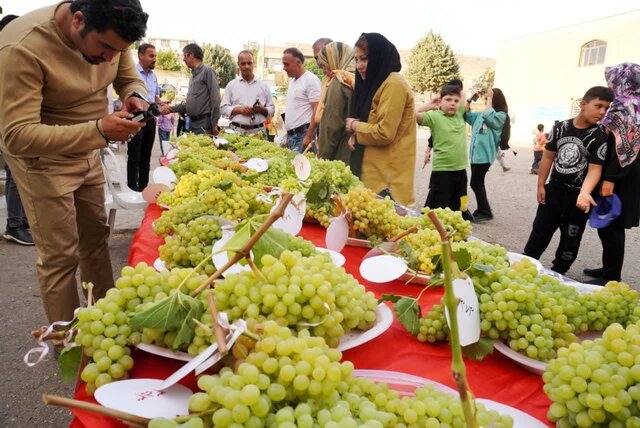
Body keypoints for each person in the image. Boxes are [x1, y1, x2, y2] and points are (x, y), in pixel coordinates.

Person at [0, 0, 148, 324]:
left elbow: (128, 78)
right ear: (78, 20)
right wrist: (97, 129)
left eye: (118, 50)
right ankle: (65, 338)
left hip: (90, 147)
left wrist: (135, 94)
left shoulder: (112, 37)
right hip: (42, 160)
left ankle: (107, 322)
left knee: (95, 240)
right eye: (105, 47)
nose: (108, 58)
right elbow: (16, 135)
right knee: (60, 255)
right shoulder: (21, 46)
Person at [523, 86, 614, 275]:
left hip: (578, 199)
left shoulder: (599, 136)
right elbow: (547, 157)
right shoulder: (560, 127)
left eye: (606, 108)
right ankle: (527, 263)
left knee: (571, 236)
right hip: (553, 191)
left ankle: (559, 271)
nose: (602, 112)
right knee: (540, 229)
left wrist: (585, 192)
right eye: (598, 106)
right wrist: (541, 184)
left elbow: (594, 170)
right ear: (583, 104)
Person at [582, 63, 640, 285]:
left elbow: (629, 147)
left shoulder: (626, 106)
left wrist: (610, 179)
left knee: (611, 226)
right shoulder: (633, 105)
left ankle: (611, 276)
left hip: (619, 177)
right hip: (624, 175)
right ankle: (608, 267)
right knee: (607, 224)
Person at [345, 32, 416, 206]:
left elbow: (385, 132)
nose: (359, 65)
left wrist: (354, 125)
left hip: (387, 183)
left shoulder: (393, 85)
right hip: (373, 177)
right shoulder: (378, 83)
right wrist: (357, 135)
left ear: (379, 57)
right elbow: (372, 123)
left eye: (365, 59)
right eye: (357, 60)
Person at [0, 14, 33, 246]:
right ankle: (14, 225)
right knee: (14, 175)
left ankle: (21, 221)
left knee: (19, 174)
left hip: (14, 124)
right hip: (6, 127)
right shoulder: (6, 56)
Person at [416, 84, 469, 214]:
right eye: (448, 99)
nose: (453, 103)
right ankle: (427, 230)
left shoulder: (460, 114)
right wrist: (429, 105)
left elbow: (464, 94)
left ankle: (455, 227)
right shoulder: (434, 117)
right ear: (439, 102)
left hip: (461, 170)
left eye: (456, 101)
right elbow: (411, 115)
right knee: (436, 208)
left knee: (459, 206)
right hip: (443, 171)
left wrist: (454, 96)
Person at [465, 88, 509, 222]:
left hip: (484, 156)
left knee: (475, 183)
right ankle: (483, 210)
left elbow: (488, 117)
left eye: (489, 98)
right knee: (477, 183)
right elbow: (465, 115)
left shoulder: (500, 116)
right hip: (475, 156)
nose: (486, 100)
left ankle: (485, 211)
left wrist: (490, 97)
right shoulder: (480, 114)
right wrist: (469, 99)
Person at [163, 43, 221, 136]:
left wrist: (214, 124)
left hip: (204, 125)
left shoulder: (207, 71)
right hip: (192, 124)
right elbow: (190, 104)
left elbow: (216, 99)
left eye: (185, 56)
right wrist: (171, 109)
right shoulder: (192, 76)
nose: (184, 59)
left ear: (191, 55)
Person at [128, 42, 162, 191]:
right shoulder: (132, 73)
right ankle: (131, 188)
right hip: (135, 118)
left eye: (155, 56)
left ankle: (143, 187)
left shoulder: (154, 76)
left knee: (146, 156)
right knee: (134, 156)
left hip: (150, 120)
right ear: (140, 55)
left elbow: (155, 98)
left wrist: (162, 105)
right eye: (151, 56)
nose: (154, 59)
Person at [315, 41, 355, 163]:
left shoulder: (338, 81)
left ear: (333, 60)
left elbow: (331, 127)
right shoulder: (355, 78)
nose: (324, 70)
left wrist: (322, 158)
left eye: (324, 65)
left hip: (341, 152)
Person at [221, 50, 274, 139]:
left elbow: (272, 109)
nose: (246, 66)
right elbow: (223, 108)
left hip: (259, 133)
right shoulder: (231, 85)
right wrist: (239, 110)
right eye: (243, 63)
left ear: (254, 64)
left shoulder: (263, 85)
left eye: (249, 63)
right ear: (238, 64)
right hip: (237, 132)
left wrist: (262, 109)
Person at [282, 47, 321, 152]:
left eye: (286, 64)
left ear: (298, 62)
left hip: (302, 136)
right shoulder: (292, 82)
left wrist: (308, 136)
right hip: (292, 136)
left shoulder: (311, 80)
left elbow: (316, 111)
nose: (284, 68)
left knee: (300, 168)